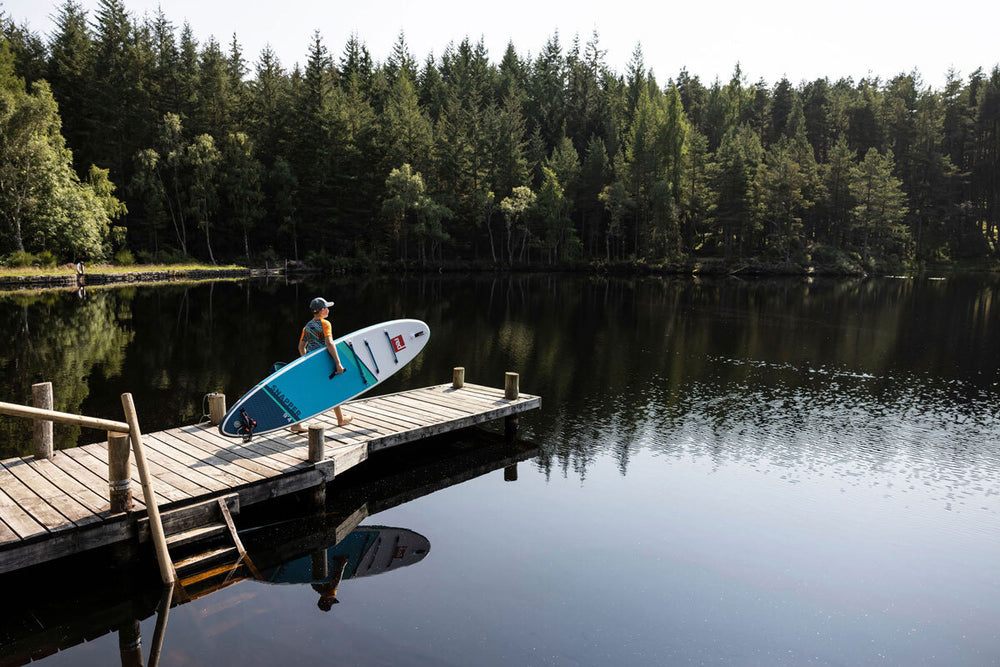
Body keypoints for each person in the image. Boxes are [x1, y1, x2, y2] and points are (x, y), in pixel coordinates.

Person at [290, 297, 353, 432]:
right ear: (322, 310)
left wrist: (307, 361)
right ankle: (341, 420)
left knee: (315, 391)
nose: (328, 310)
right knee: (333, 389)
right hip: (325, 362)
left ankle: (297, 423)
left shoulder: (307, 327)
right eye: (327, 308)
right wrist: (338, 363)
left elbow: (301, 347)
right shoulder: (325, 324)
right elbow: (330, 343)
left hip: (314, 364)